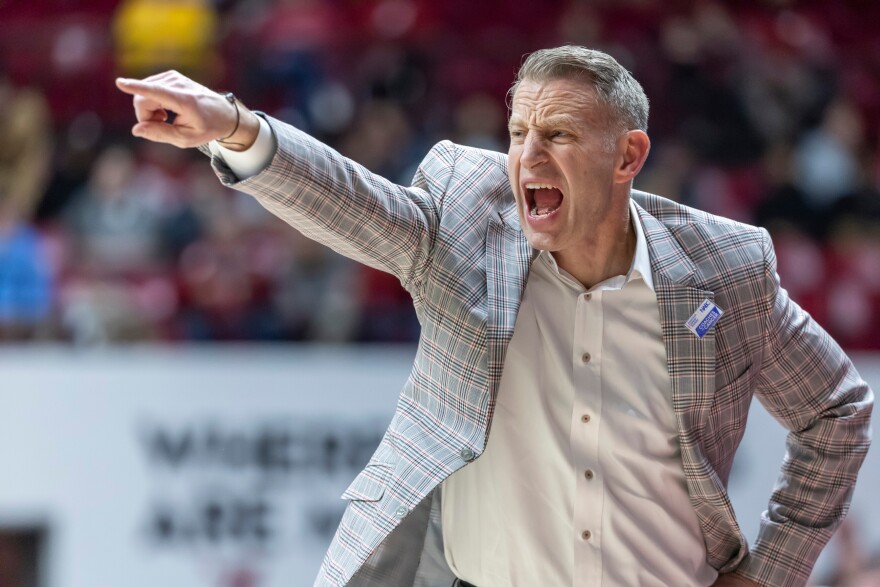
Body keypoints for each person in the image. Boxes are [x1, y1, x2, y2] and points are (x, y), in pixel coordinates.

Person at [116, 46, 874, 587]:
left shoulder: (723, 270)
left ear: (628, 155)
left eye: (560, 134)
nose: (527, 157)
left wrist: (772, 572)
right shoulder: (467, 219)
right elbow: (356, 204)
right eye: (518, 133)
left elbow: (837, 409)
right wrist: (235, 129)